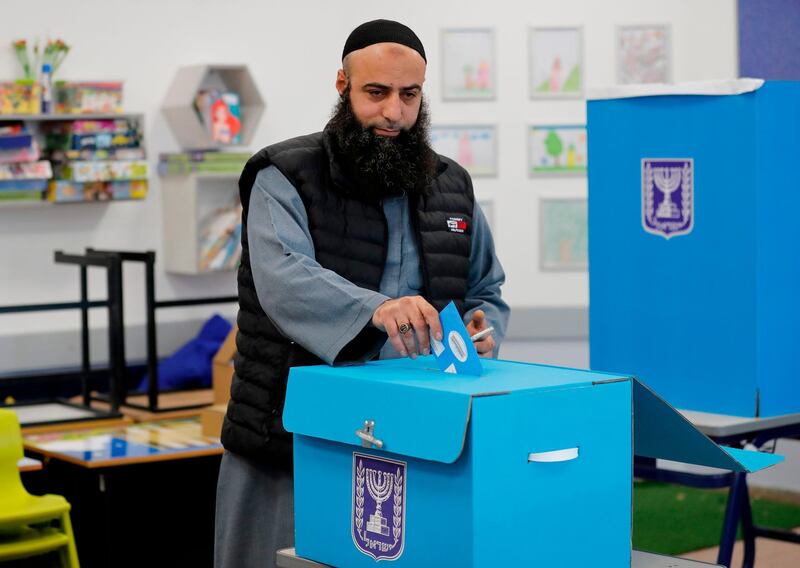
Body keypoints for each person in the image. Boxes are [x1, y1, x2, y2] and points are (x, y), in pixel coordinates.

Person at [214, 19, 509, 568]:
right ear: (342, 85)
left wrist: (482, 327)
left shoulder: (452, 185)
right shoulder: (282, 175)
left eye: (409, 94)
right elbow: (285, 280)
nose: (393, 112)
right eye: (376, 93)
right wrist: (377, 309)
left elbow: (485, 287)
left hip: (417, 442)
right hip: (293, 441)